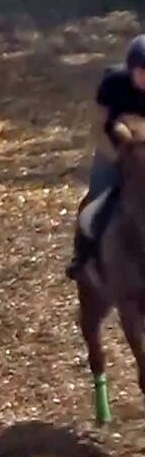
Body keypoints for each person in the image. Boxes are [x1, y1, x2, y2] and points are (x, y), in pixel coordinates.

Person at [67, 34, 145, 279]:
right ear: (131, 69)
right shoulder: (113, 83)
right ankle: (83, 256)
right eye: (144, 72)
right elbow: (98, 127)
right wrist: (117, 159)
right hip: (112, 148)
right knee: (96, 198)